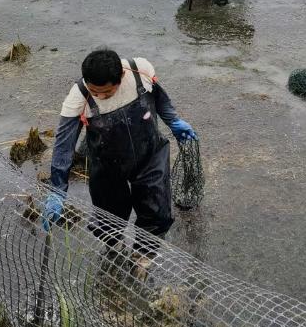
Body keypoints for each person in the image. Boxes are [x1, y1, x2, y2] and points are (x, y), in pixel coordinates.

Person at [43, 49, 196, 248]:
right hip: (107, 164)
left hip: (149, 155)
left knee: (157, 212)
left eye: (106, 92)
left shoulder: (139, 71)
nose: (99, 95)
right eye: (94, 91)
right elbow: (64, 145)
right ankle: (113, 251)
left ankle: (144, 257)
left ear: (121, 77)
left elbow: (160, 98)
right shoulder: (78, 96)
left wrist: (174, 121)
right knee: (109, 219)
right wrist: (58, 189)